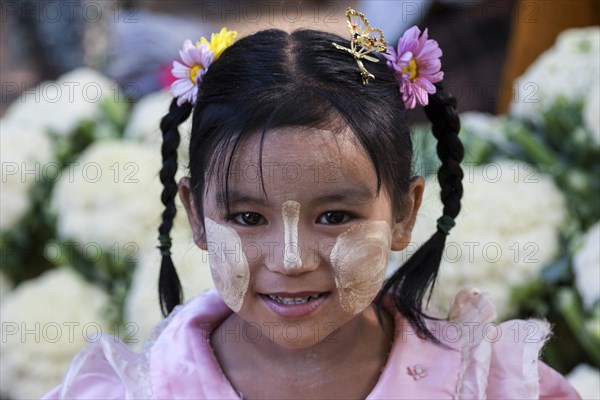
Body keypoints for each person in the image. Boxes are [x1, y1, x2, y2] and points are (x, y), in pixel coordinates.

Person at [43, 8, 580, 399]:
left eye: (335, 217)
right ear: (196, 216)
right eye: (248, 218)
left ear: (404, 212)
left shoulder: (494, 386)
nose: (292, 259)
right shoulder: (126, 392)